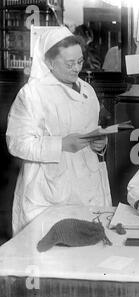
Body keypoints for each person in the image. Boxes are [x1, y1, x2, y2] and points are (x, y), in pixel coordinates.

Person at [6, 26, 112, 235]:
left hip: (87, 185)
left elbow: (90, 129)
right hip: (48, 189)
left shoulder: (87, 90)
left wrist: (100, 143)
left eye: (80, 61)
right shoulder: (32, 94)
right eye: (70, 63)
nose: (76, 68)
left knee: (87, 250)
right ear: (49, 62)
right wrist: (61, 144)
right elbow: (17, 143)